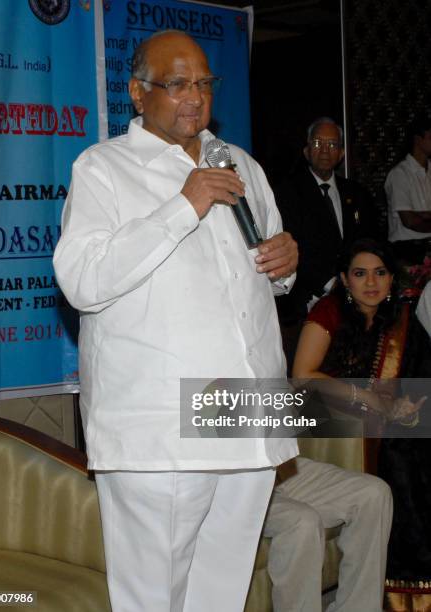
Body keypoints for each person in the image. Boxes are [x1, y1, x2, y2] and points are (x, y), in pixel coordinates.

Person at [53, 30, 298, 612]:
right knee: (153, 599)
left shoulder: (240, 164)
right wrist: (182, 206)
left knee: (222, 592)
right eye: (178, 84)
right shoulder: (103, 168)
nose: (195, 97)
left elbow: (261, 269)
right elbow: (83, 281)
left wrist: (286, 264)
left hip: (247, 411)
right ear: (139, 93)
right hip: (159, 424)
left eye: (205, 85)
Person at [287, 238, 431, 610]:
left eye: (380, 273)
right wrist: (367, 399)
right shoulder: (329, 311)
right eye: (360, 274)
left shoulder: (398, 318)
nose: (371, 283)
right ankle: (406, 586)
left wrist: (406, 406)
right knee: (402, 458)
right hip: (327, 417)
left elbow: (419, 376)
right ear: (344, 279)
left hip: (379, 418)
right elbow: (302, 375)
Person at [273, 118, 378, 369]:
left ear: (341, 153)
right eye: (318, 143)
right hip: (304, 304)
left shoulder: (356, 193)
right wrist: (332, 286)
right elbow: (290, 246)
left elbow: (368, 242)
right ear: (307, 150)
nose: (325, 149)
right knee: (310, 383)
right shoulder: (286, 191)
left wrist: (353, 283)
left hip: (353, 300)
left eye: (332, 144)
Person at [385, 114, 431, 260]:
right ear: (418, 139)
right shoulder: (399, 174)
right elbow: (410, 221)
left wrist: (424, 215)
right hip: (407, 250)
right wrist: (421, 216)